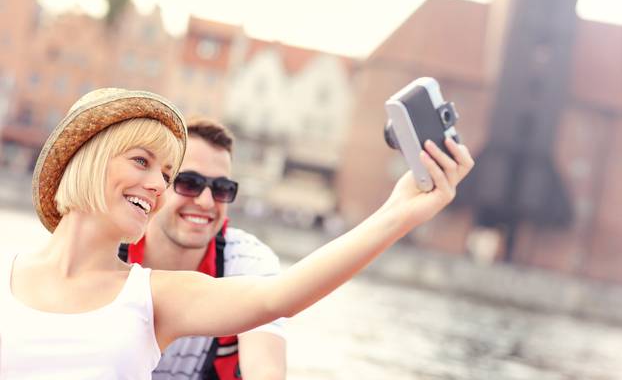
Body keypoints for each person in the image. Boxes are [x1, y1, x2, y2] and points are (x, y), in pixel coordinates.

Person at [0, 87, 474, 379]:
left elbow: (278, 297)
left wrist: (401, 211)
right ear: (87, 160)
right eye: (142, 162)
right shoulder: (7, 272)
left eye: (166, 174)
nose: (157, 184)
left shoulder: (153, 296)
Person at [122, 117, 286, 380]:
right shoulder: (111, 246)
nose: (206, 202)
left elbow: (265, 368)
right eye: (189, 183)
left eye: (221, 188)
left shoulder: (246, 259)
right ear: (158, 184)